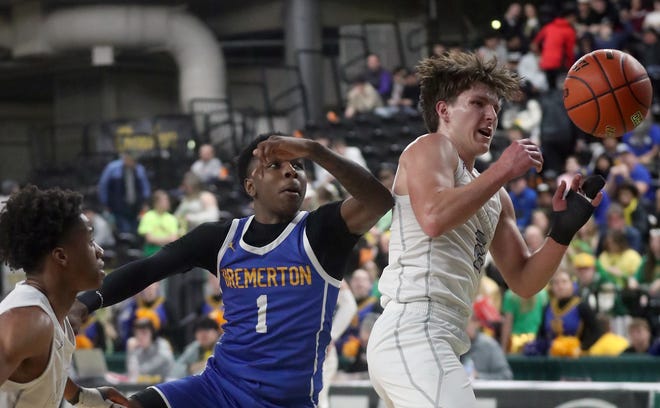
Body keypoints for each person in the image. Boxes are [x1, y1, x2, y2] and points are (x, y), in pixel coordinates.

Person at [72, 134, 393, 407]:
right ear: (250, 186)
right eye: (275, 165)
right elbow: (148, 269)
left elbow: (379, 201)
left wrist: (314, 150)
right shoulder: (220, 238)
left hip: (285, 401)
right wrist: (85, 303)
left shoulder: (321, 231)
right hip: (219, 388)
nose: (291, 172)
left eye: (298, 166)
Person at [366, 51, 602, 407]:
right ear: (443, 110)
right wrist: (503, 171)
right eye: (477, 103)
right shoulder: (431, 147)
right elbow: (432, 218)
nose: (490, 114)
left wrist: (563, 231)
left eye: (495, 107)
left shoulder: (496, 196)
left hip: (442, 337)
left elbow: (524, 282)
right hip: (413, 330)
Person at [0, 186, 128, 407]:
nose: (100, 250)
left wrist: (79, 395)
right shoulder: (29, 321)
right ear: (61, 256)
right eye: (89, 241)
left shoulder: (54, 315)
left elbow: (33, 371)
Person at [98, 151, 152, 234]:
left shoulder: (138, 169)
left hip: (135, 206)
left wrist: (145, 202)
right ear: (125, 158)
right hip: (118, 206)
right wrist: (105, 203)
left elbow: (145, 187)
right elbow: (103, 186)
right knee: (124, 230)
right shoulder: (113, 168)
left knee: (135, 229)